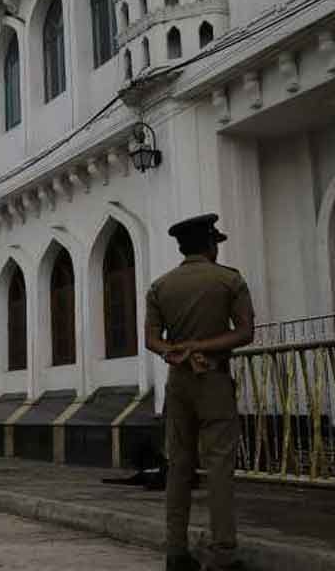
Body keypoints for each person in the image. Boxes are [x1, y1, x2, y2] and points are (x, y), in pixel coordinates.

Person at [145, 213, 255, 571]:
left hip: (177, 382)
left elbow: (150, 339)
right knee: (219, 466)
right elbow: (244, 332)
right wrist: (201, 347)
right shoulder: (228, 280)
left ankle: (176, 553)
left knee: (178, 466)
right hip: (213, 379)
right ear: (210, 245)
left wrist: (173, 350)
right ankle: (223, 555)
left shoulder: (161, 286)